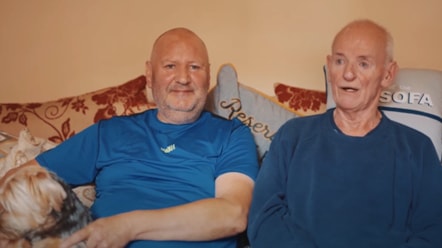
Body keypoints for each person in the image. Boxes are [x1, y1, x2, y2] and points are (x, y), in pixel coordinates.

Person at [23, 28, 259, 248]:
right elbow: (22, 181)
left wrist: (129, 226)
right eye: (170, 66)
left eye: (195, 67)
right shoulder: (108, 133)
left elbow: (233, 215)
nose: (184, 78)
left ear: (208, 76)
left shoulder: (231, 135)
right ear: (149, 74)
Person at [247, 19, 442, 248]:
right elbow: (263, 218)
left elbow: (433, 231)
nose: (348, 74)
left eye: (363, 64)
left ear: (388, 74)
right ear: (330, 67)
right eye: (340, 61)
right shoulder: (292, 136)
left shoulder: (418, 148)